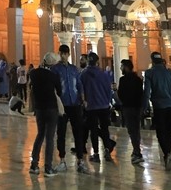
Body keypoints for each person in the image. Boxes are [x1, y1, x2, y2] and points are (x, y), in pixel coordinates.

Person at [143, 51, 171, 170]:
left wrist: (145, 107)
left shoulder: (150, 73)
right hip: (170, 106)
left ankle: (167, 154)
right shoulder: (170, 73)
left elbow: (147, 92)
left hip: (159, 107)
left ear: (152, 61)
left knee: (161, 132)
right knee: (168, 131)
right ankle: (168, 154)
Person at [52, 44, 87, 173]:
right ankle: (62, 160)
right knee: (61, 132)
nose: (63, 56)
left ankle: (80, 160)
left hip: (75, 104)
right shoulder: (55, 69)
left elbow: (79, 84)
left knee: (78, 132)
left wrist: (83, 98)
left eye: (65, 53)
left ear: (68, 55)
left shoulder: (74, 69)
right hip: (62, 104)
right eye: (61, 53)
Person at [28, 51, 64, 176]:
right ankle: (48, 167)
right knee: (50, 138)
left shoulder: (33, 73)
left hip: (39, 108)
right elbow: (59, 91)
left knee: (40, 135)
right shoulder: (53, 76)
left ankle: (34, 164)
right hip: (51, 108)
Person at [80, 51, 116, 162]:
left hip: (91, 107)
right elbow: (109, 90)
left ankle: (96, 154)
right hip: (104, 106)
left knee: (94, 131)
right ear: (97, 62)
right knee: (105, 129)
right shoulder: (103, 74)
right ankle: (107, 150)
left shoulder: (83, 74)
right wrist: (107, 101)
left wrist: (84, 101)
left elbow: (81, 90)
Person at [117, 58, 145, 163]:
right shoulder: (138, 79)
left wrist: (124, 102)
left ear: (126, 67)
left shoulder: (123, 80)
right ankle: (136, 150)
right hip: (137, 107)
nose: (120, 68)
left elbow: (120, 94)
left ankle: (137, 152)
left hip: (128, 107)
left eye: (122, 66)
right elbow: (141, 93)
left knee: (132, 130)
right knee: (136, 129)